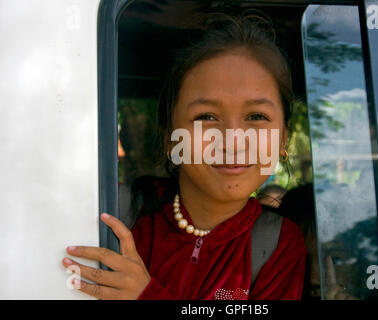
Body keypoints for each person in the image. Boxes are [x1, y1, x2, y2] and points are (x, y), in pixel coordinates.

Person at [61, 13, 307, 300]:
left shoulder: (279, 245)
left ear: (283, 138)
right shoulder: (118, 214)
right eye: (206, 117)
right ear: (170, 138)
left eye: (256, 116)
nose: (233, 139)